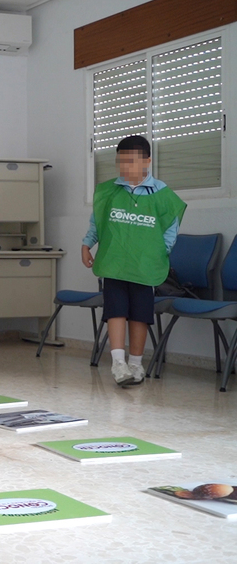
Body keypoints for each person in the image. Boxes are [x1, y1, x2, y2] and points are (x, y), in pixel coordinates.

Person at [81, 135, 184, 386]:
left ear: (147, 161)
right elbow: (97, 224)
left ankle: (136, 364)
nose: (125, 167)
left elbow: (170, 231)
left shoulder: (163, 195)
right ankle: (118, 363)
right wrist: (86, 245)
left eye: (132, 161)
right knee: (115, 311)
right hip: (114, 264)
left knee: (140, 314)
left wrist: (156, 253)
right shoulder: (108, 192)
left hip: (144, 268)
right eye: (121, 162)